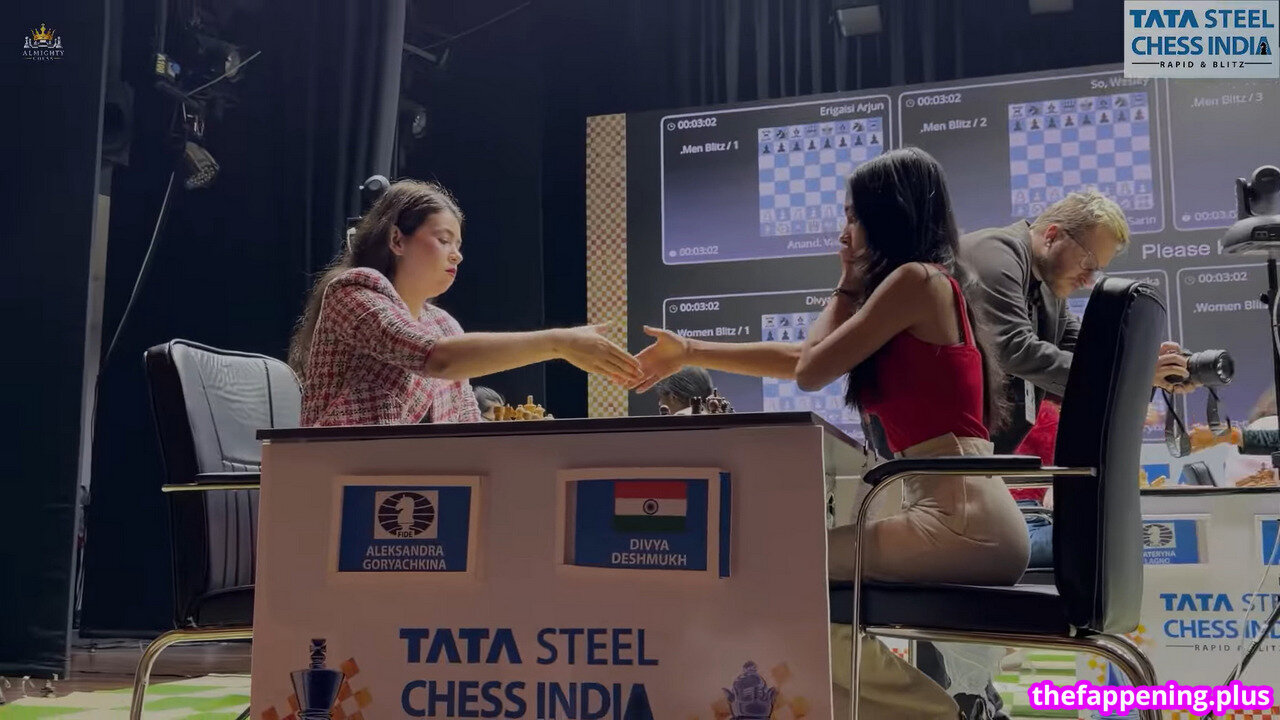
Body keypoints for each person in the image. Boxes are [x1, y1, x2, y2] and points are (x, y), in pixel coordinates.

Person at [635, 147, 1028, 720]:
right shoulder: (921, 286)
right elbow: (804, 356)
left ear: (887, 216)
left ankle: (942, 715)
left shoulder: (915, 280)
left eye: (853, 216)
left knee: (771, 571)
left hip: (961, 525)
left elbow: (809, 370)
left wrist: (846, 283)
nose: (845, 231)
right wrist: (691, 351)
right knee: (785, 580)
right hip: (962, 519)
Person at [288, 180, 641, 426]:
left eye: (458, 245)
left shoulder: (442, 323)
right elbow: (436, 359)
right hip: (339, 475)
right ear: (397, 240)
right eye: (444, 240)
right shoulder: (352, 291)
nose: (456, 255)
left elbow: (466, 422)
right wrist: (559, 343)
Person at [958, 191, 1192, 452]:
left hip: (976, 450)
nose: (1087, 280)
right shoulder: (995, 253)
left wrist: (1151, 364)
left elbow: (1086, 351)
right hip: (943, 448)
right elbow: (1014, 349)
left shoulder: (1047, 285)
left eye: (1096, 271)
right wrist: (1133, 375)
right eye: (1087, 263)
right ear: (1052, 235)